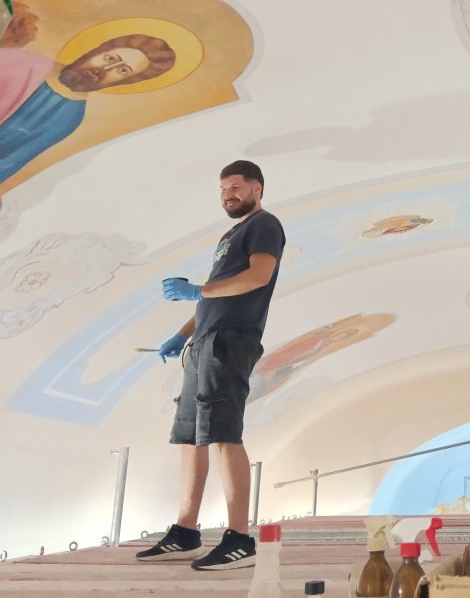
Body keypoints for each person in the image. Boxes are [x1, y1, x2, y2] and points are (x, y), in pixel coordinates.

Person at [136, 160, 285, 570]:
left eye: (236, 187)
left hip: (231, 340)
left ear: (257, 188)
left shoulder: (265, 225)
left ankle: (240, 539)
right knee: (190, 437)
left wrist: (197, 290)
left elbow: (258, 277)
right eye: (222, 189)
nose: (228, 195)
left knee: (222, 432)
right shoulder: (230, 235)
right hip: (204, 342)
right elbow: (214, 296)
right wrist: (181, 334)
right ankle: (186, 531)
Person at [0, 34, 176, 184]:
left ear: (124, 82)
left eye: (123, 70)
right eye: (110, 58)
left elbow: (13, 159)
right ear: (96, 52)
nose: (103, 69)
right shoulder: (23, 62)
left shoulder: (71, 117)